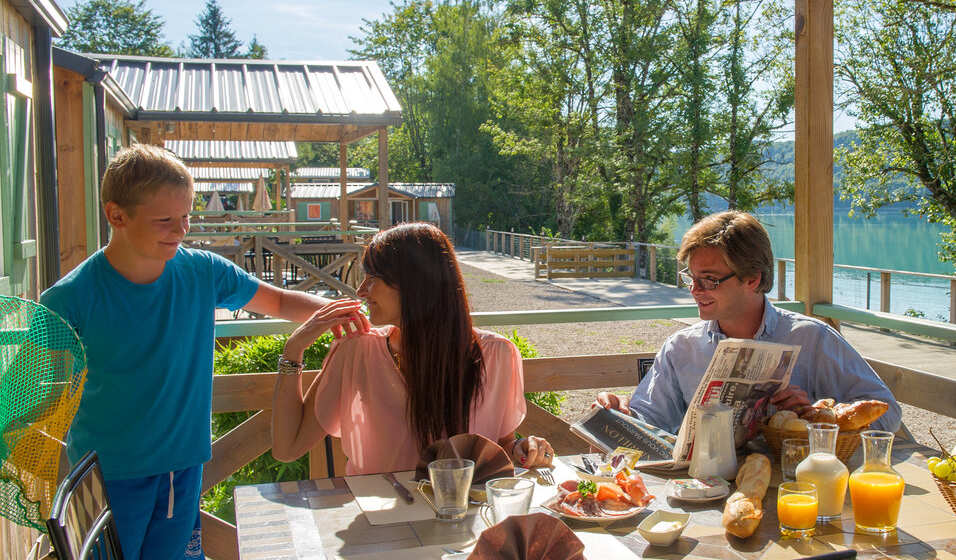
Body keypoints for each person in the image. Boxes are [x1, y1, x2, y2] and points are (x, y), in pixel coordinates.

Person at [40, 144, 345, 560]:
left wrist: (346, 314)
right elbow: (38, 391)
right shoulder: (71, 298)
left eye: (186, 216)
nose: (180, 229)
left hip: (181, 472)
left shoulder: (201, 270)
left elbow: (275, 302)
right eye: (165, 219)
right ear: (116, 214)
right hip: (104, 482)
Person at [271, 221, 555, 476]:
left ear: (415, 285)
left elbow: (500, 446)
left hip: (463, 520)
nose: (360, 291)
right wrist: (294, 349)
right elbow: (288, 448)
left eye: (372, 277)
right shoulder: (356, 351)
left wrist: (523, 447)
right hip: (381, 523)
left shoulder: (497, 355)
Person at [596, 210, 901, 433]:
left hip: (795, 494)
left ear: (753, 279)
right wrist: (621, 412)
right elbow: (648, 421)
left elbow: (887, 413)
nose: (694, 289)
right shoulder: (681, 348)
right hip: (706, 496)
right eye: (691, 276)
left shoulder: (812, 338)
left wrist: (815, 416)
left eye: (709, 280)